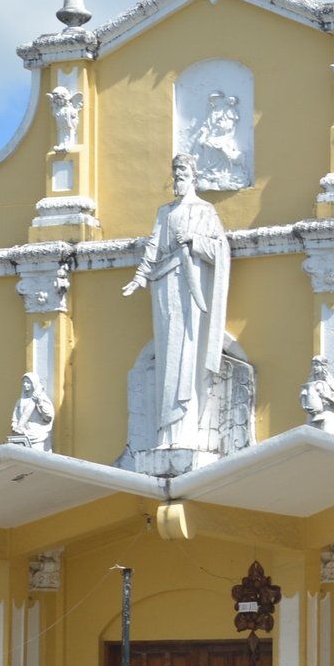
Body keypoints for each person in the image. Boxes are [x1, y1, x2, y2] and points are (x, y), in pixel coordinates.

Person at [122, 155, 229, 450]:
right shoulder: (164, 212)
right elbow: (153, 248)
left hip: (191, 284)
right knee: (169, 353)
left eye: (183, 170)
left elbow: (219, 249)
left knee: (186, 354)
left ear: (194, 175)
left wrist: (193, 239)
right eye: (175, 171)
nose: (178, 176)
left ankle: (185, 431)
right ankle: (166, 431)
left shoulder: (205, 211)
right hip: (164, 285)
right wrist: (140, 277)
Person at [8, 373, 55, 451]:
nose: (25, 384)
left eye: (28, 382)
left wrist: (39, 403)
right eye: (24, 382)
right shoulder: (20, 402)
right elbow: (15, 419)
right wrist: (15, 427)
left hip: (38, 435)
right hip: (22, 434)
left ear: (34, 383)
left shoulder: (41, 399)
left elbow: (48, 417)